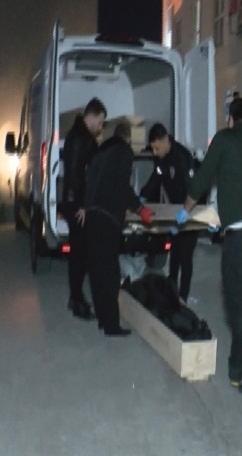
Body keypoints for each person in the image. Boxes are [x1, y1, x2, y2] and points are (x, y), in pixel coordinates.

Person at [176, 98, 242, 396]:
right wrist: (221, 216)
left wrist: (185, 209)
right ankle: (235, 368)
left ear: (231, 118)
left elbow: (203, 179)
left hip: (240, 241)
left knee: (236, 312)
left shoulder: (224, 139)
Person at [84, 119, 155, 337]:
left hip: (91, 217)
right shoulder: (123, 152)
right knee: (111, 274)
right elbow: (122, 187)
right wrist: (140, 209)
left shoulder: (100, 152)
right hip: (107, 220)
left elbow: (91, 183)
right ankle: (112, 325)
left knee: (96, 272)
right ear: (128, 138)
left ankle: (102, 319)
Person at [140, 123, 199, 303]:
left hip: (189, 212)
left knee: (186, 256)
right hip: (175, 212)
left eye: (156, 148)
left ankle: (183, 297)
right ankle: (172, 293)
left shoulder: (182, 157)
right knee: (175, 252)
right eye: (153, 149)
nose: (155, 152)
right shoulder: (161, 159)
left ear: (165, 140)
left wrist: (186, 213)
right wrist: (142, 196)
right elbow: (156, 178)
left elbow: (193, 189)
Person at [61, 98, 106, 321]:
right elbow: (76, 175)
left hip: (75, 203)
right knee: (79, 254)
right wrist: (82, 206)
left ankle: (77, 298)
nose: (101, 126)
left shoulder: (80, 135)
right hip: (77, 205)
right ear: (92, 117)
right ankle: (77, 300)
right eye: (101, 121)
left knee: (80, 253)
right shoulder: (80, 138)